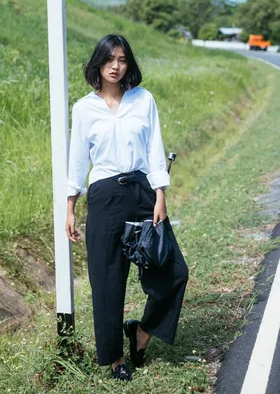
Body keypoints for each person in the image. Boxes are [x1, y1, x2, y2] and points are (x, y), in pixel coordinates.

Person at [65, 34, 188, 382]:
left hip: (142, 191)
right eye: (109, 60)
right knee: (107, 279)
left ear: (128, 64)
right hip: (104, 195)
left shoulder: (143, 100)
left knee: (173, 269)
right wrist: (71, 206)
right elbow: (77, 160)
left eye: (122, 60)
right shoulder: (84, 108)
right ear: (98, 65)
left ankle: (143, 332)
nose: (116, 67)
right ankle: (116, 357)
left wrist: (160, 193)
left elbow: (154, 147)